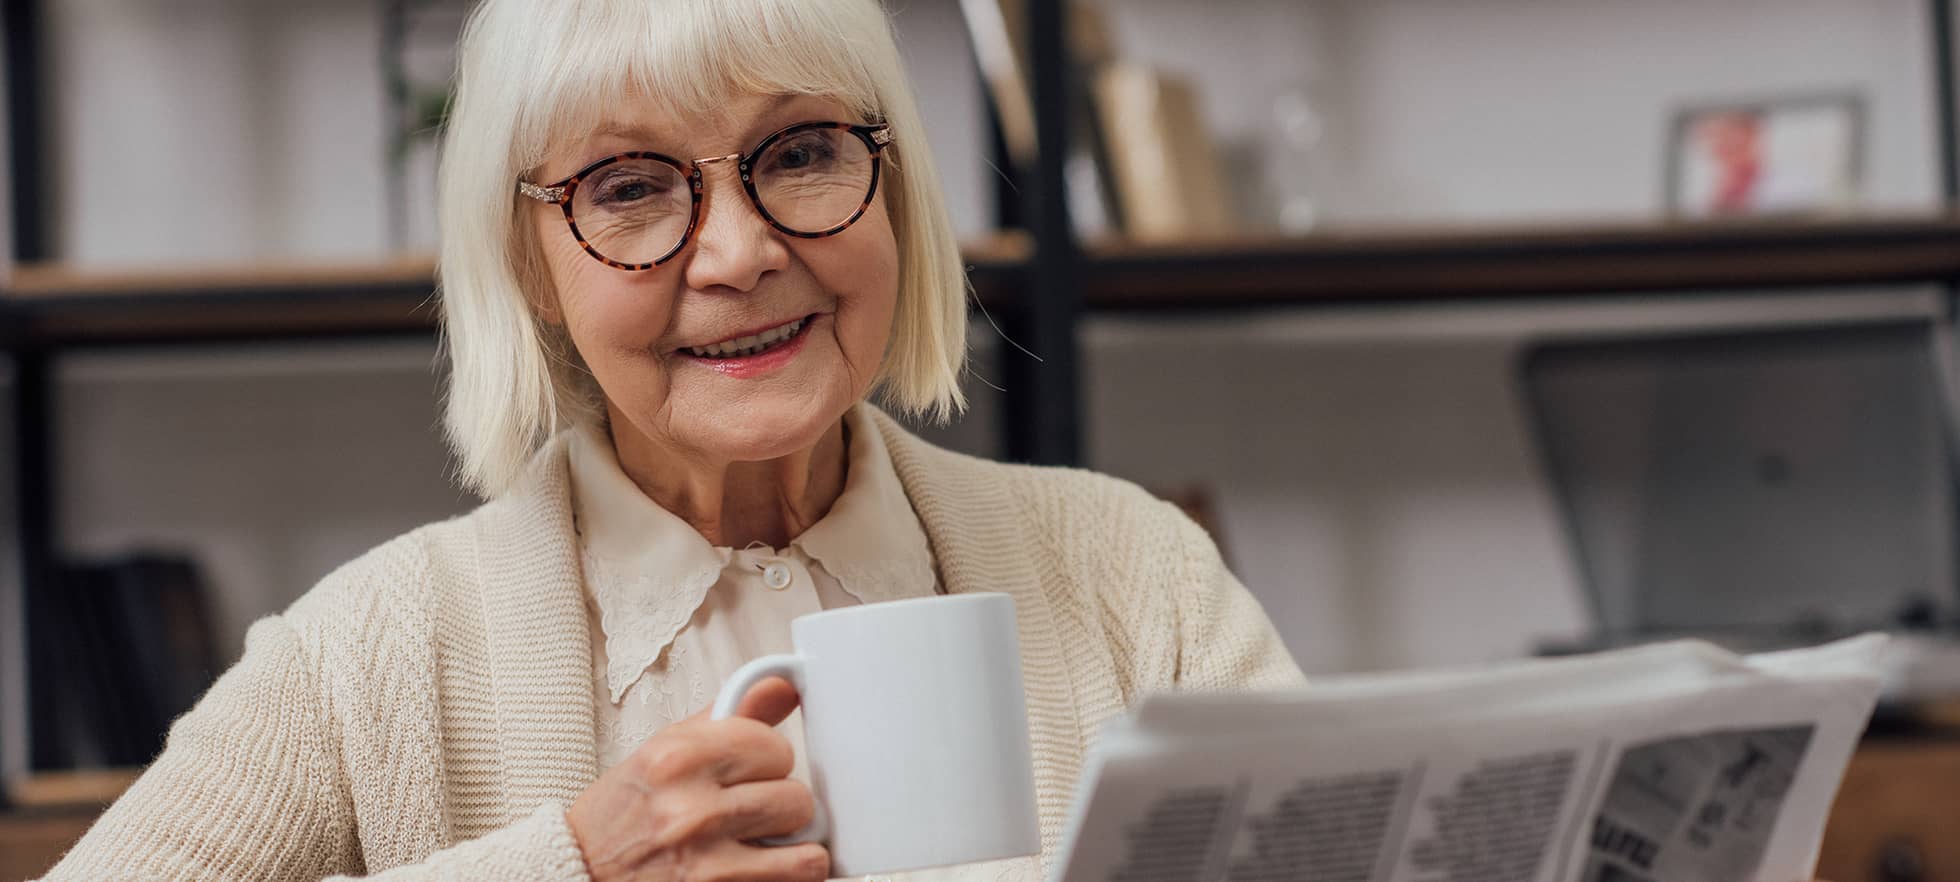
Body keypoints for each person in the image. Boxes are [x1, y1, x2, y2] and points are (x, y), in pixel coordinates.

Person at [38, 0, 1302, 879]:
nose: (743, 253)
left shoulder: (1132, 569)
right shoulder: (370, 654)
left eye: (801, 153)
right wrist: (574, 867)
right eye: (631, 189)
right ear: (531, 268)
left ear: (898, 193)